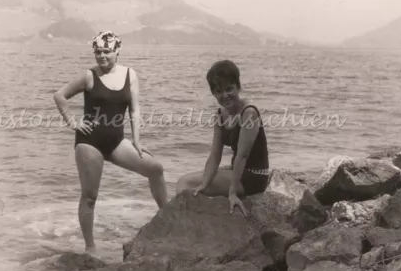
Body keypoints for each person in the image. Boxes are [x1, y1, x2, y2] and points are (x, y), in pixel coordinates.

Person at [53, 31, 168, 254]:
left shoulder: (130, 74)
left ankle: (169, 217)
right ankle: (90, 247)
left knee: (156, 169)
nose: (102, 56)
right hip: (89, 141)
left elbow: (134, 110)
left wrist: (136, 140)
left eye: (106, 51)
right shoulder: (89, 76)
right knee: (90, 196)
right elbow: (60, 96)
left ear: (117, 51)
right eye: (97, 52)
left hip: (116, 141)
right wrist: (72, 122)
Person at [176, 60, 271, 217]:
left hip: (254, 176)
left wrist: (232, 193)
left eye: (229, 89)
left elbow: (243, 155)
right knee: (192, 180)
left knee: (185, 183)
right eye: (219, 91)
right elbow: (215, 154)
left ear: (238, 87)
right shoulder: (220, 114)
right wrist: (204, 184)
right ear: (213, 94)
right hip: (237, 170)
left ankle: (181, 225)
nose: (225, 95)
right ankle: (187, 222)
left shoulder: (249, 113)